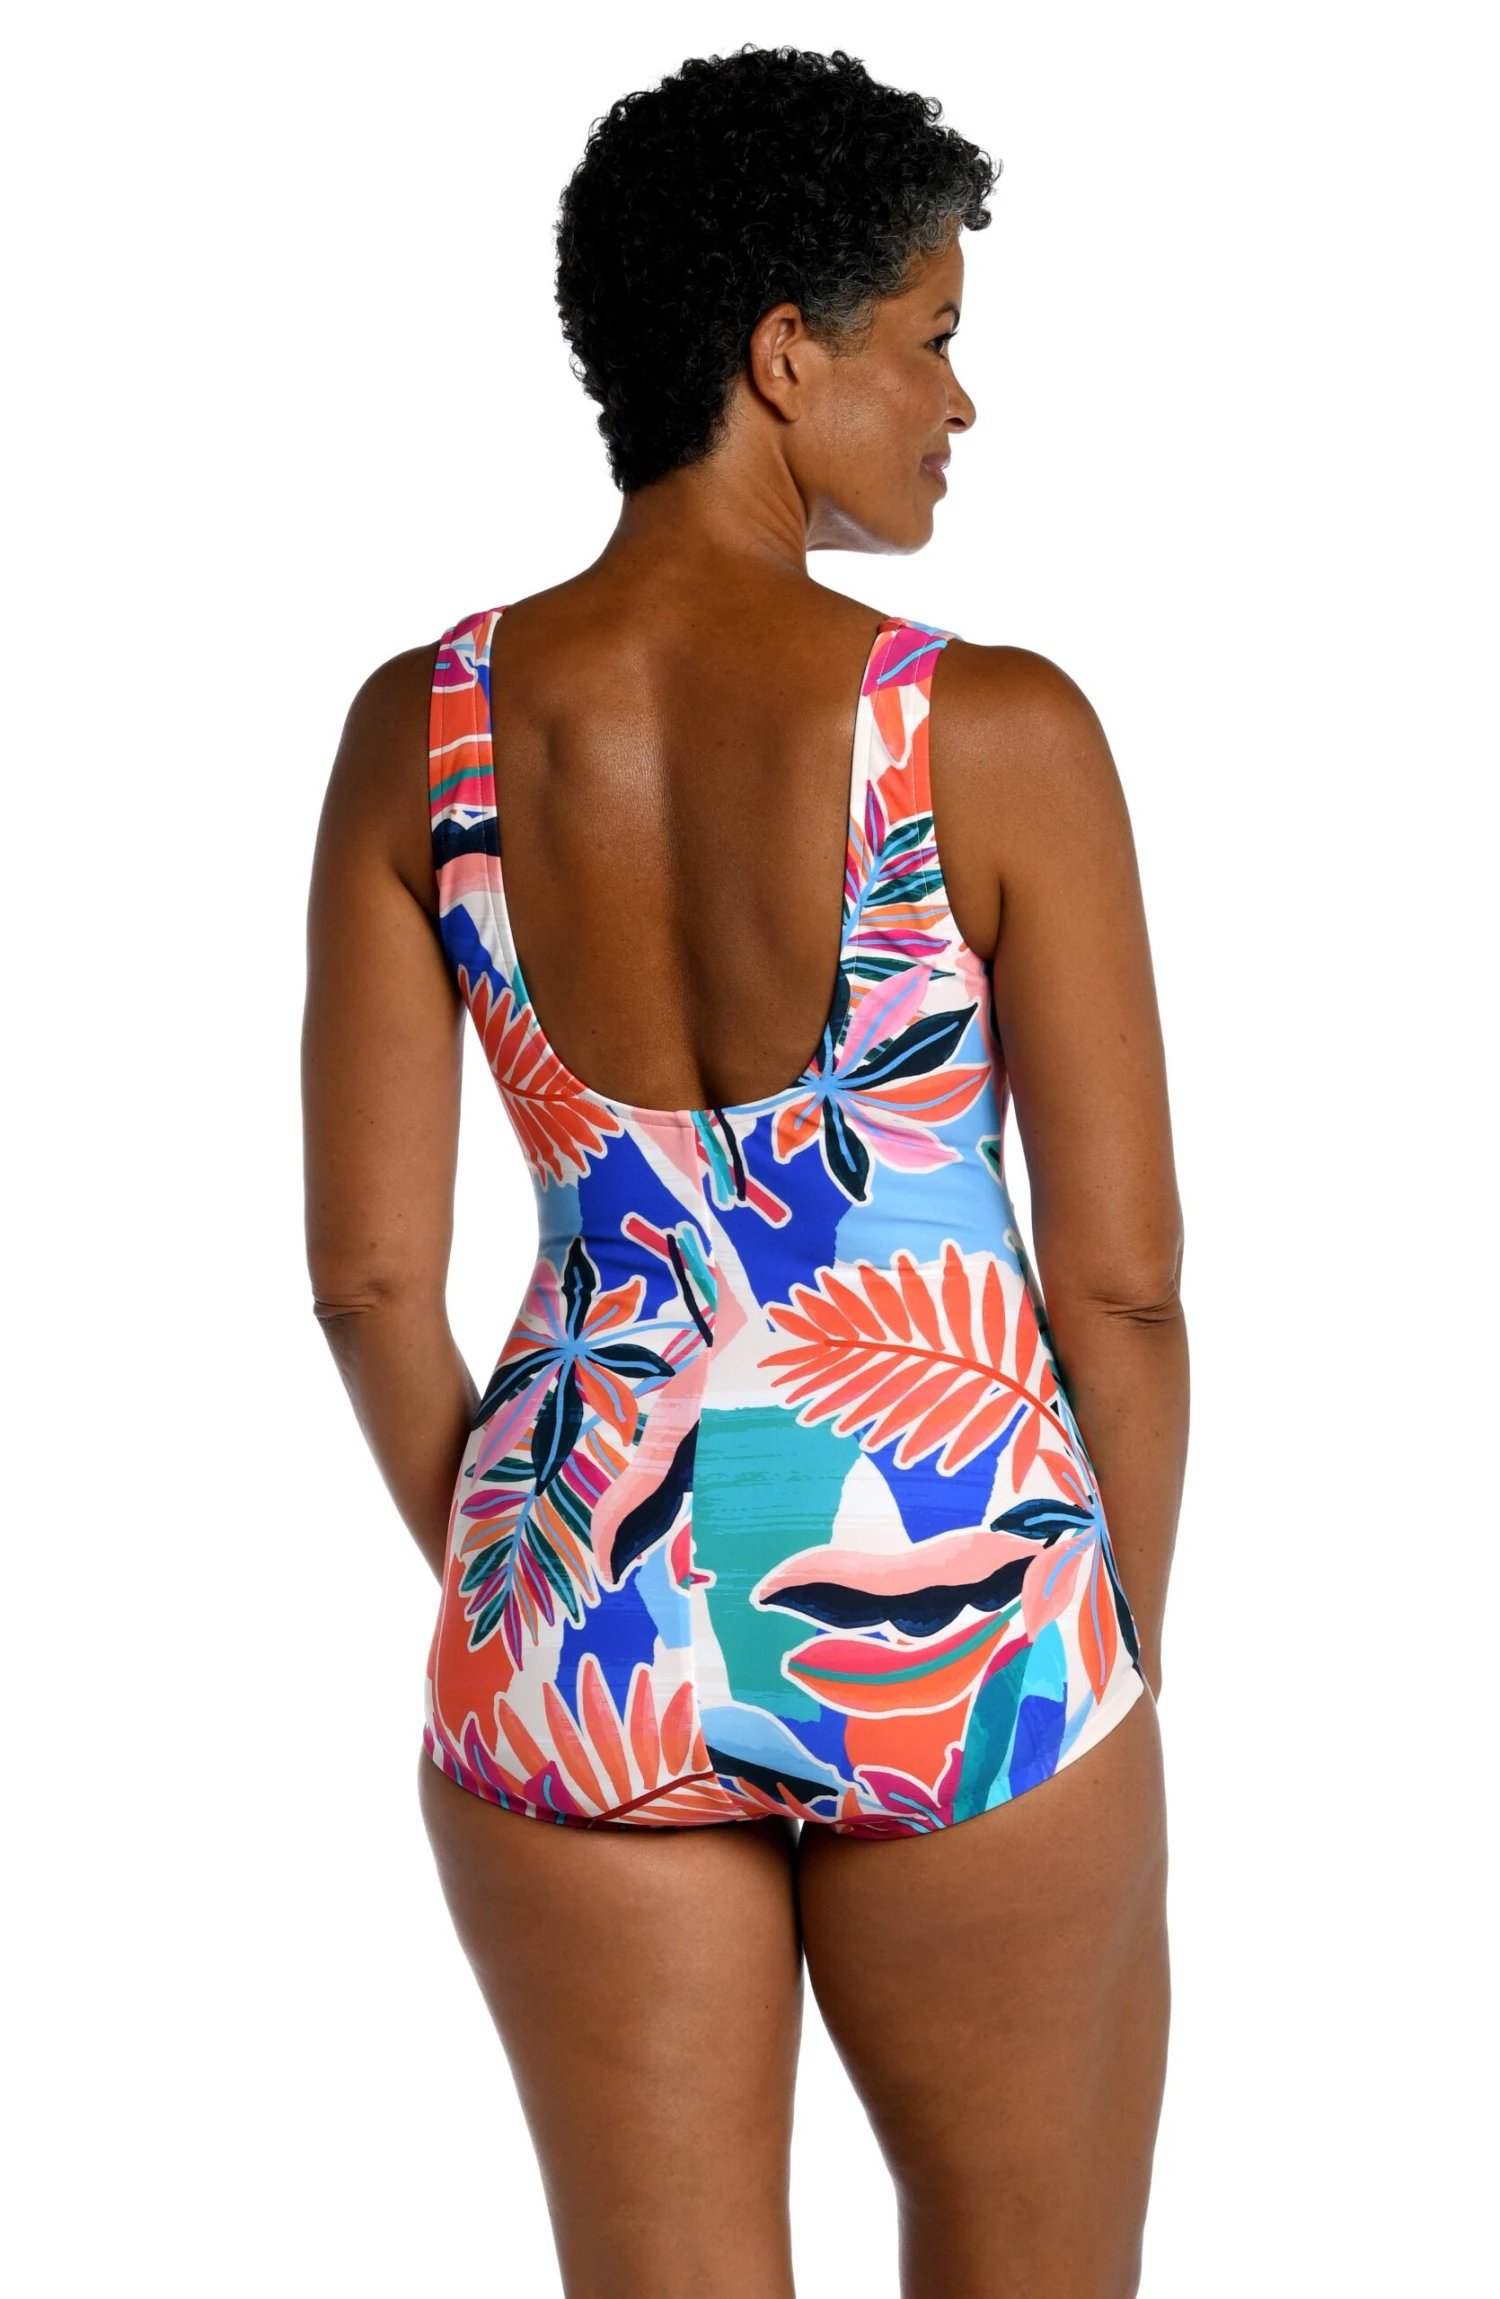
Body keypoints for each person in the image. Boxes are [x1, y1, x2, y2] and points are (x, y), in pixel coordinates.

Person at [302, 44, 1188, 2299]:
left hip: (575, 1605)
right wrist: (1105, 1649)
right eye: (934, 335)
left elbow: (370, 1283)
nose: (962, 402)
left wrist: (546, 1580)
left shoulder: (427, 730)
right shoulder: (990, 731)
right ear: (786, 353)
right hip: (957, 1590)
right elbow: (1121, 1289)